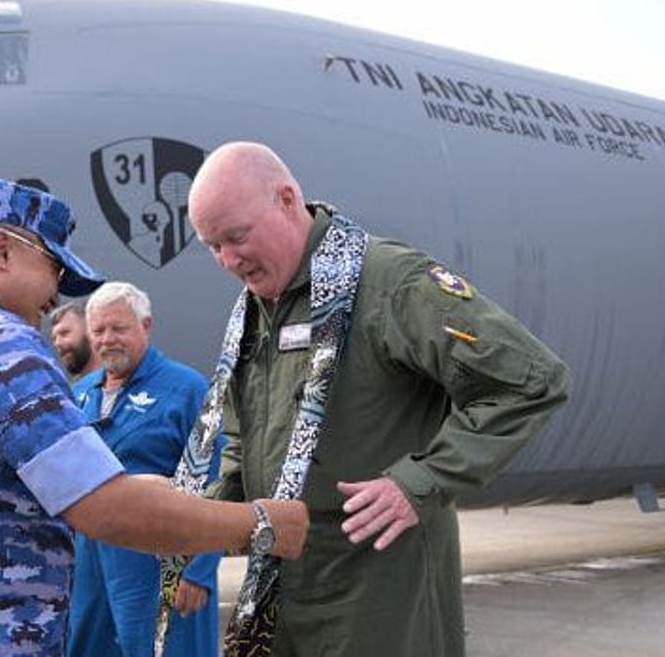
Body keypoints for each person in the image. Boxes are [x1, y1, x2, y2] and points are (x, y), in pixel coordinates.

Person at [0, 178, 309, 656]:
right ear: (2, 251)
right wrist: (261, 524)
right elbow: (106, 510)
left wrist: (137, 490)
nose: (56, 296)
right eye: (54, 268)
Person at [184, 142, 571, 656]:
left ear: (285, 198)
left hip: (377, 588)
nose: (228, 261)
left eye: (236, 236)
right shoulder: (257, 311)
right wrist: (191, 520)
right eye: (213, 246)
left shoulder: (388, 283)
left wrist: (421, 482)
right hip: (280, 589)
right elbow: (246, 442)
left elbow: (531, 379)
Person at [68, 282, 218, 657]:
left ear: (145, 326)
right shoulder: (79, 393)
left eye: (119, 328)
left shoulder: (186, 389)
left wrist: (199, 569)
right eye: (98, 331)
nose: (107, 339)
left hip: (162, 561)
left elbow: (216, 480)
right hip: (91, 563)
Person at [49, 301, 99, 379]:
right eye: (54, 339)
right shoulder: (74, 390)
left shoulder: (120, 379)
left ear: (90, 329)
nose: (57, 343)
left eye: (64, 333)